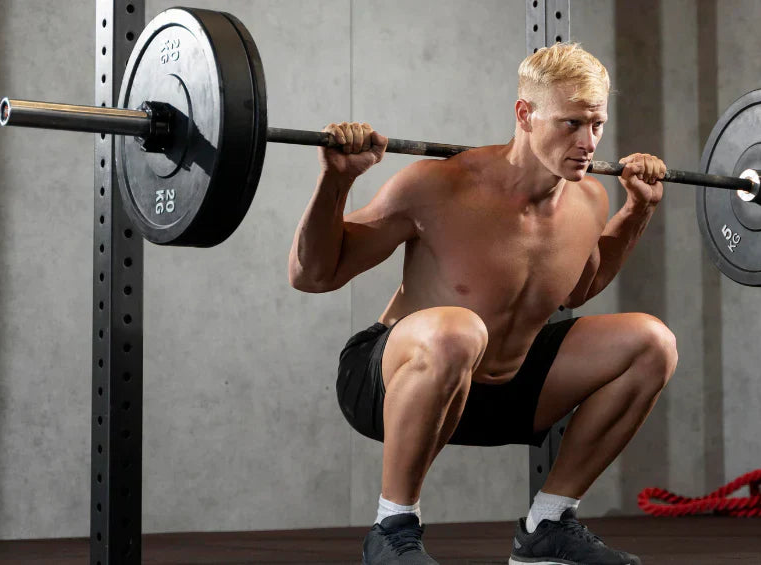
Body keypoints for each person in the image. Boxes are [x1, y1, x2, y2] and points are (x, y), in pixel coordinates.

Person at [289, 42, 677, 565]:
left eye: (597, 124)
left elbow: (575, 290)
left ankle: (548, 526)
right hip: (390, 383)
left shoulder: (589, 199)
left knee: (652, 342)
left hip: (502, 393)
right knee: (459, 329)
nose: (588, 143)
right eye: (571, 124)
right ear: (525, 114)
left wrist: (636, 213)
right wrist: (335, 182)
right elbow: (312, 275)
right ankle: (391, 528)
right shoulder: (436, 185)